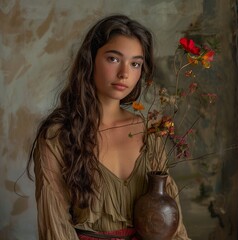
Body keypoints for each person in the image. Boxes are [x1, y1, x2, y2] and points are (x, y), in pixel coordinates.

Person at [28, 14, 190, 240]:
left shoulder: (149, 133)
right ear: (90, 59)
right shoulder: (58, 136)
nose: (124, 73)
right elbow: (54, 227)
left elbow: (174, 223)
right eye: (113, 59)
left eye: (135, 64)